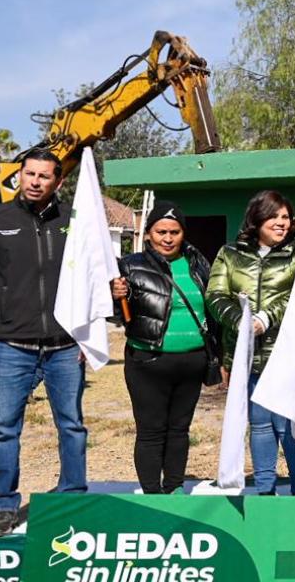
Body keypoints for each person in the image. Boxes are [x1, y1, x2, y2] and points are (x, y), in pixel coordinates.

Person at [0, 149, 85, 537]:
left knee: (72, 425)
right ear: (19, 175)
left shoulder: (75, 222)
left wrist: (89, 335)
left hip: (65, 346)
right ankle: (3, 504)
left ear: (58, 181)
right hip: (9, 346)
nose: (34, 181)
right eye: (28, 173)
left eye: (43, 176)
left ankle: (72, 496)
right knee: (4, 428)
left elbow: (92, 278)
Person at [205, 190, 295, 496]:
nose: (281, 222)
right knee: (260, 425)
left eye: (286, 217)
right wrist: (240, 321)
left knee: (292, 427)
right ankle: (266, 491)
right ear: (256, 218)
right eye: (274, 216)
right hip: (248, 356)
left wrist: (267, 317)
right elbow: (216, 295)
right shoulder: (230, 254)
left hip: (290, 355)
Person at [109, 201, 217, 495]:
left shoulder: (198, 263)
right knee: (151, 431)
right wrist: (115, 294)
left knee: (179, 430)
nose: (167, 238)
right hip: (148, 361)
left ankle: (174, 487)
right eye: (161, 232)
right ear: (148, 234)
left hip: (192, 363)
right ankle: (153, 493)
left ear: (183, 234)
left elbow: (212, 306)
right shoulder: (129, 265)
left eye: (174, 231)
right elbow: (116, 313)